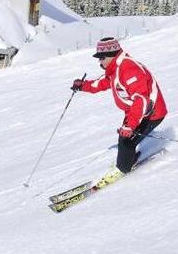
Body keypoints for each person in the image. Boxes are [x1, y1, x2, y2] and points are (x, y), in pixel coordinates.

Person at [71, 37, 168, 186]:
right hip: (136, 112)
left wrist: (130, 126)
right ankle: (128, 160)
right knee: (125, 138)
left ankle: (123, 169)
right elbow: (102, 83)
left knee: (126, 141)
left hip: (151, 113)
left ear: (112, 55)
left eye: (102, 58)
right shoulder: (115, 68)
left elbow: (141, 99)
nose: (100, 62)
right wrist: (83, 85)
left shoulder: (129, 69)